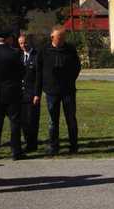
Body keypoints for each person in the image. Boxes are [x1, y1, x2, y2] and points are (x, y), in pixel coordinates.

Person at [34, 25, 81, 155]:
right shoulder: (44, 51)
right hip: (51, 91)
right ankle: (54, 146)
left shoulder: (70, 49)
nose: (62, 40)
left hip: (68, 91)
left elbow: (77, 67)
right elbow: (38, 73)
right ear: (52, 37)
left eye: (63, 38)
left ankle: (74, 146)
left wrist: (70, 79)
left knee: (71, 119)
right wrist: (37, 93)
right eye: (59, 38)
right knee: (53, 120)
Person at [0, 30, 25, 160]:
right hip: (12, 91)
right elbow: (21, 71)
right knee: (15, 122)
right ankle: (16, 151)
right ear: (8, 39)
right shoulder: (15, 53)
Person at [18, 33, 39, 152]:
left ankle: (32, 144)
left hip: (32, 94)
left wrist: (37, 94)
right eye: (21, 43)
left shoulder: (36, 55)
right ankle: (27, 141)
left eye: (25, 42)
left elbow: (38, 77)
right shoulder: (19, 56)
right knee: (23, 120)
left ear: (29, 42)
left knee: (32, 120)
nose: (23, 45)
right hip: (21, 94)